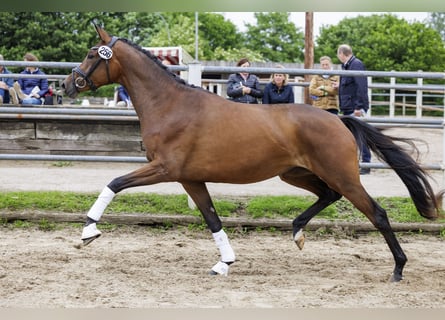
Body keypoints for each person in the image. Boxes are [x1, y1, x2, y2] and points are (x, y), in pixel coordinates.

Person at [334, 44, 371, 174]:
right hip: (348, 106)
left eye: (338, 54)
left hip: (354, 107)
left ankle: (366, 164)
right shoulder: (348, 65)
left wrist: (359, 106)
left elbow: (361, 87)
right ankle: (358, 163)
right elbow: (351, 84)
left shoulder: (355, 65)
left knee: (360, 136)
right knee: (353, 136)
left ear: (342, 54)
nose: (338, 57)